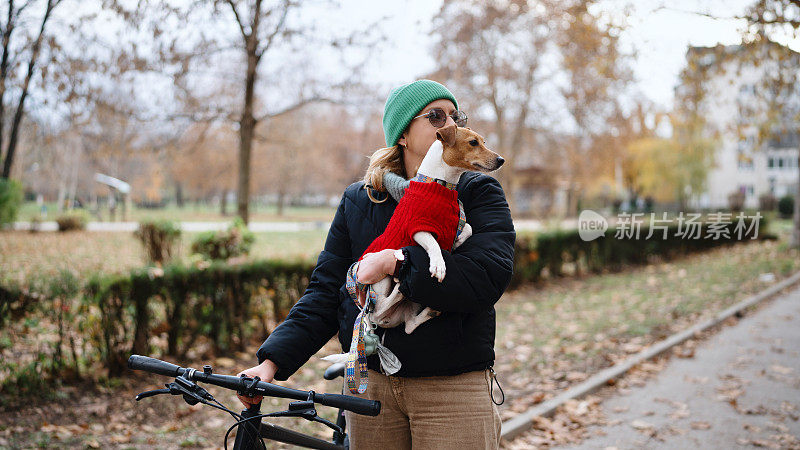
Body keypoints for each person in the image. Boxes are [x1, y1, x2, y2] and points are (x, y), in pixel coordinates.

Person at [237, 79, 515, 449]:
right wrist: (270, 363)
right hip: (371, 386)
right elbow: (327, 291)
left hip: (452, 387)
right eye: (435, 116)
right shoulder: (360, 199)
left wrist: (398, 262)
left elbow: (486, 279)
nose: (449, 124)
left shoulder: (477, 192)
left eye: (455, 116)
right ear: (401, 134)